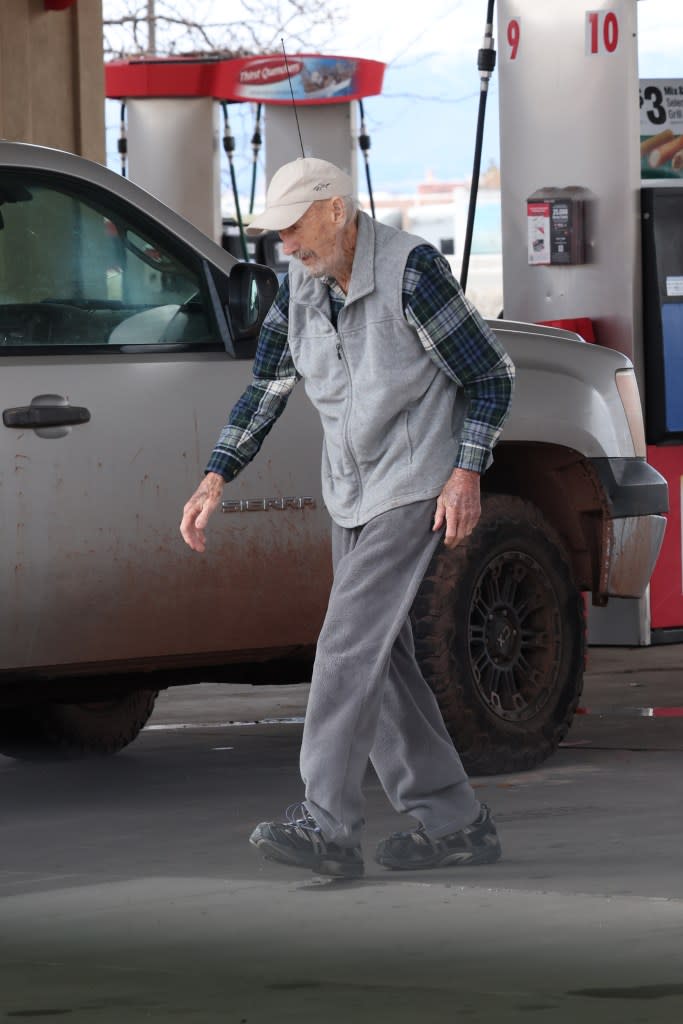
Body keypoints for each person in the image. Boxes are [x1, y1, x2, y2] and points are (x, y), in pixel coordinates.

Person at [180, 156, 515, 879]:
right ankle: (454, 823)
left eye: (294, 229)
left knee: (343, 650)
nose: (286, 247)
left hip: (415, 485)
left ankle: (327, 823)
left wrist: (465, 474)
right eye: (275, 236)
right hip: (350, 491)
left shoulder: (412, 273)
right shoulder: (297, 290)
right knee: (382, 661)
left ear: (334, 210)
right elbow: (266, 388)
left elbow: (489, 376)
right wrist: (216, 475)